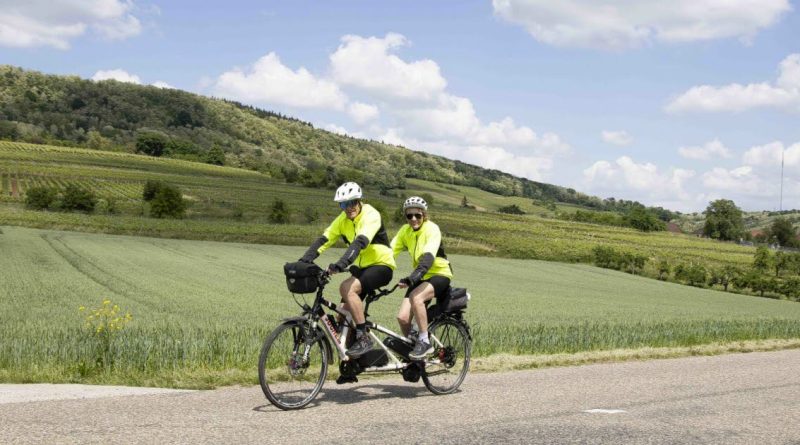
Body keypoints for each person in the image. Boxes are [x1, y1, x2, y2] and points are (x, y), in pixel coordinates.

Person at [298, 182, 395, 358]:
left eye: (352, 202)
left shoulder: (371, 214)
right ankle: (353, 365)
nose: (348, 208)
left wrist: (340, 264)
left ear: (359, 201)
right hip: (361, 269)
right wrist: (303, 261)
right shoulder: (342, 220)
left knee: (346, 288)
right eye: (343, 204)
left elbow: (360, 242)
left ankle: (363, 336)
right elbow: (324, 240)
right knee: (342, 316)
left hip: (381, 266)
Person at [391, 196, 453, 360]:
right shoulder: (405, 231)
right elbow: (389, 252)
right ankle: (415, 353)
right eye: (409, 215)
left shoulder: (432, 229)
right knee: (403, 318)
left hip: (440, 273)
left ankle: (424, 341)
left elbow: (428, 257)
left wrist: (413, 277)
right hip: (420, 276)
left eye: (417, 215)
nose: (413, 219)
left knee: (416, 297)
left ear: (424, 215)